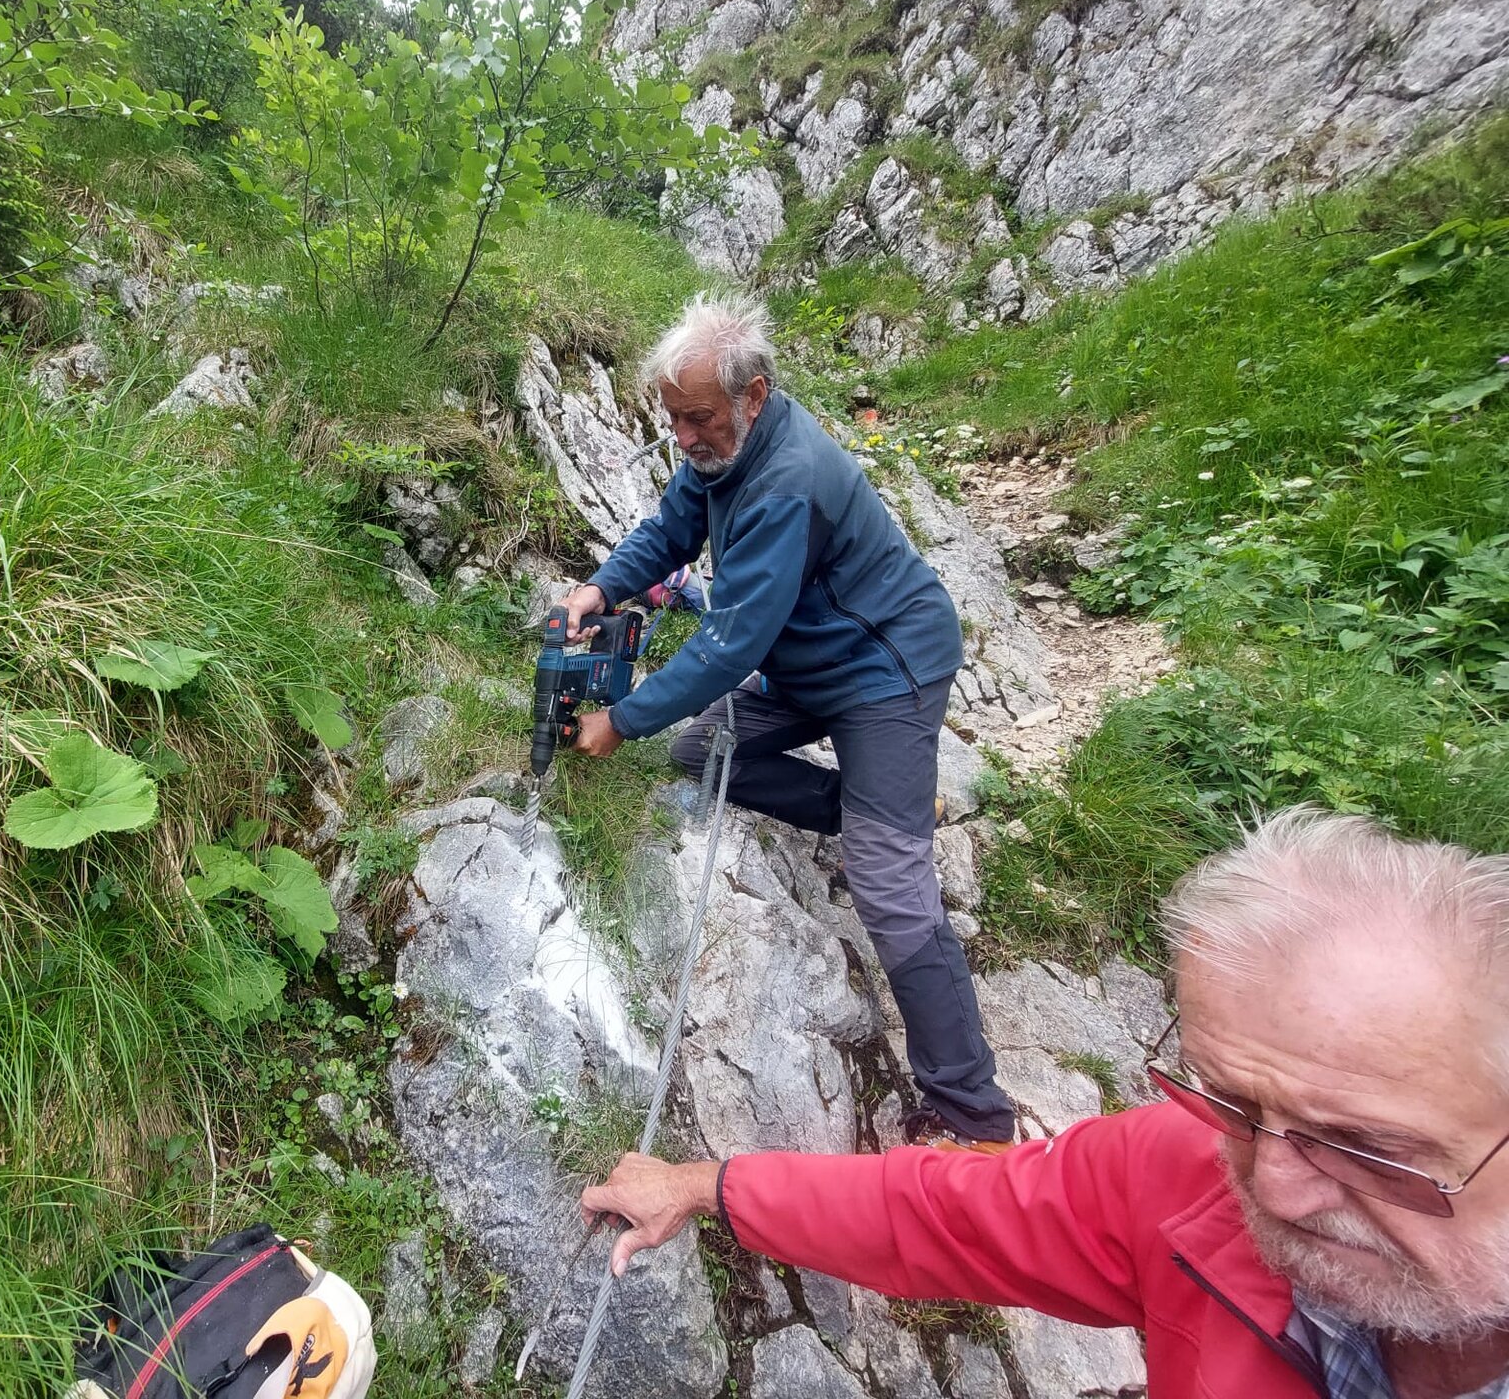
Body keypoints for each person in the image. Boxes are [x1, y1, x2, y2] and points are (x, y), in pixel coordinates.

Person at [580, 807, 1509, 1399]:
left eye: (1367, 1147)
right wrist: (709, 1186)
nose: (1274, 1188)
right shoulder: (1183, 1172)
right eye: (1232, 1103)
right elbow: (947, 1214)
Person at [558, 292, 1014, 1147]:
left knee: (889, 887)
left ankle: (974, 1113)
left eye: (698, 418)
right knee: (701, 753)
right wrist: (599, 588)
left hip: (886, 670)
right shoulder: (717, 457)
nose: (686, 437)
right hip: (806, 664)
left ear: (753, 395)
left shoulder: (788, 479)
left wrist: (621, 718)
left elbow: (729, 648)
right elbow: (667, 534)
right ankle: (890, 806)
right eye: (675, 420)